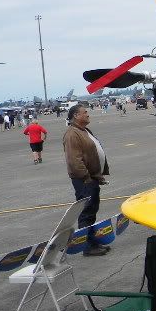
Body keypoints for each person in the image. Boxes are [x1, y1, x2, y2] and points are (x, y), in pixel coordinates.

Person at [63, 105, 111, 257]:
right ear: (76, 116)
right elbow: (74, 161)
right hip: (84, 180)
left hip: (91, 178)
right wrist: (87, 178)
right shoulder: (72, 134)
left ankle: (92, 240)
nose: (88, 114)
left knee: (91, 211)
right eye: (85, 113)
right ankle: (88, 246)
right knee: (86, 212)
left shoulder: (82, 130)